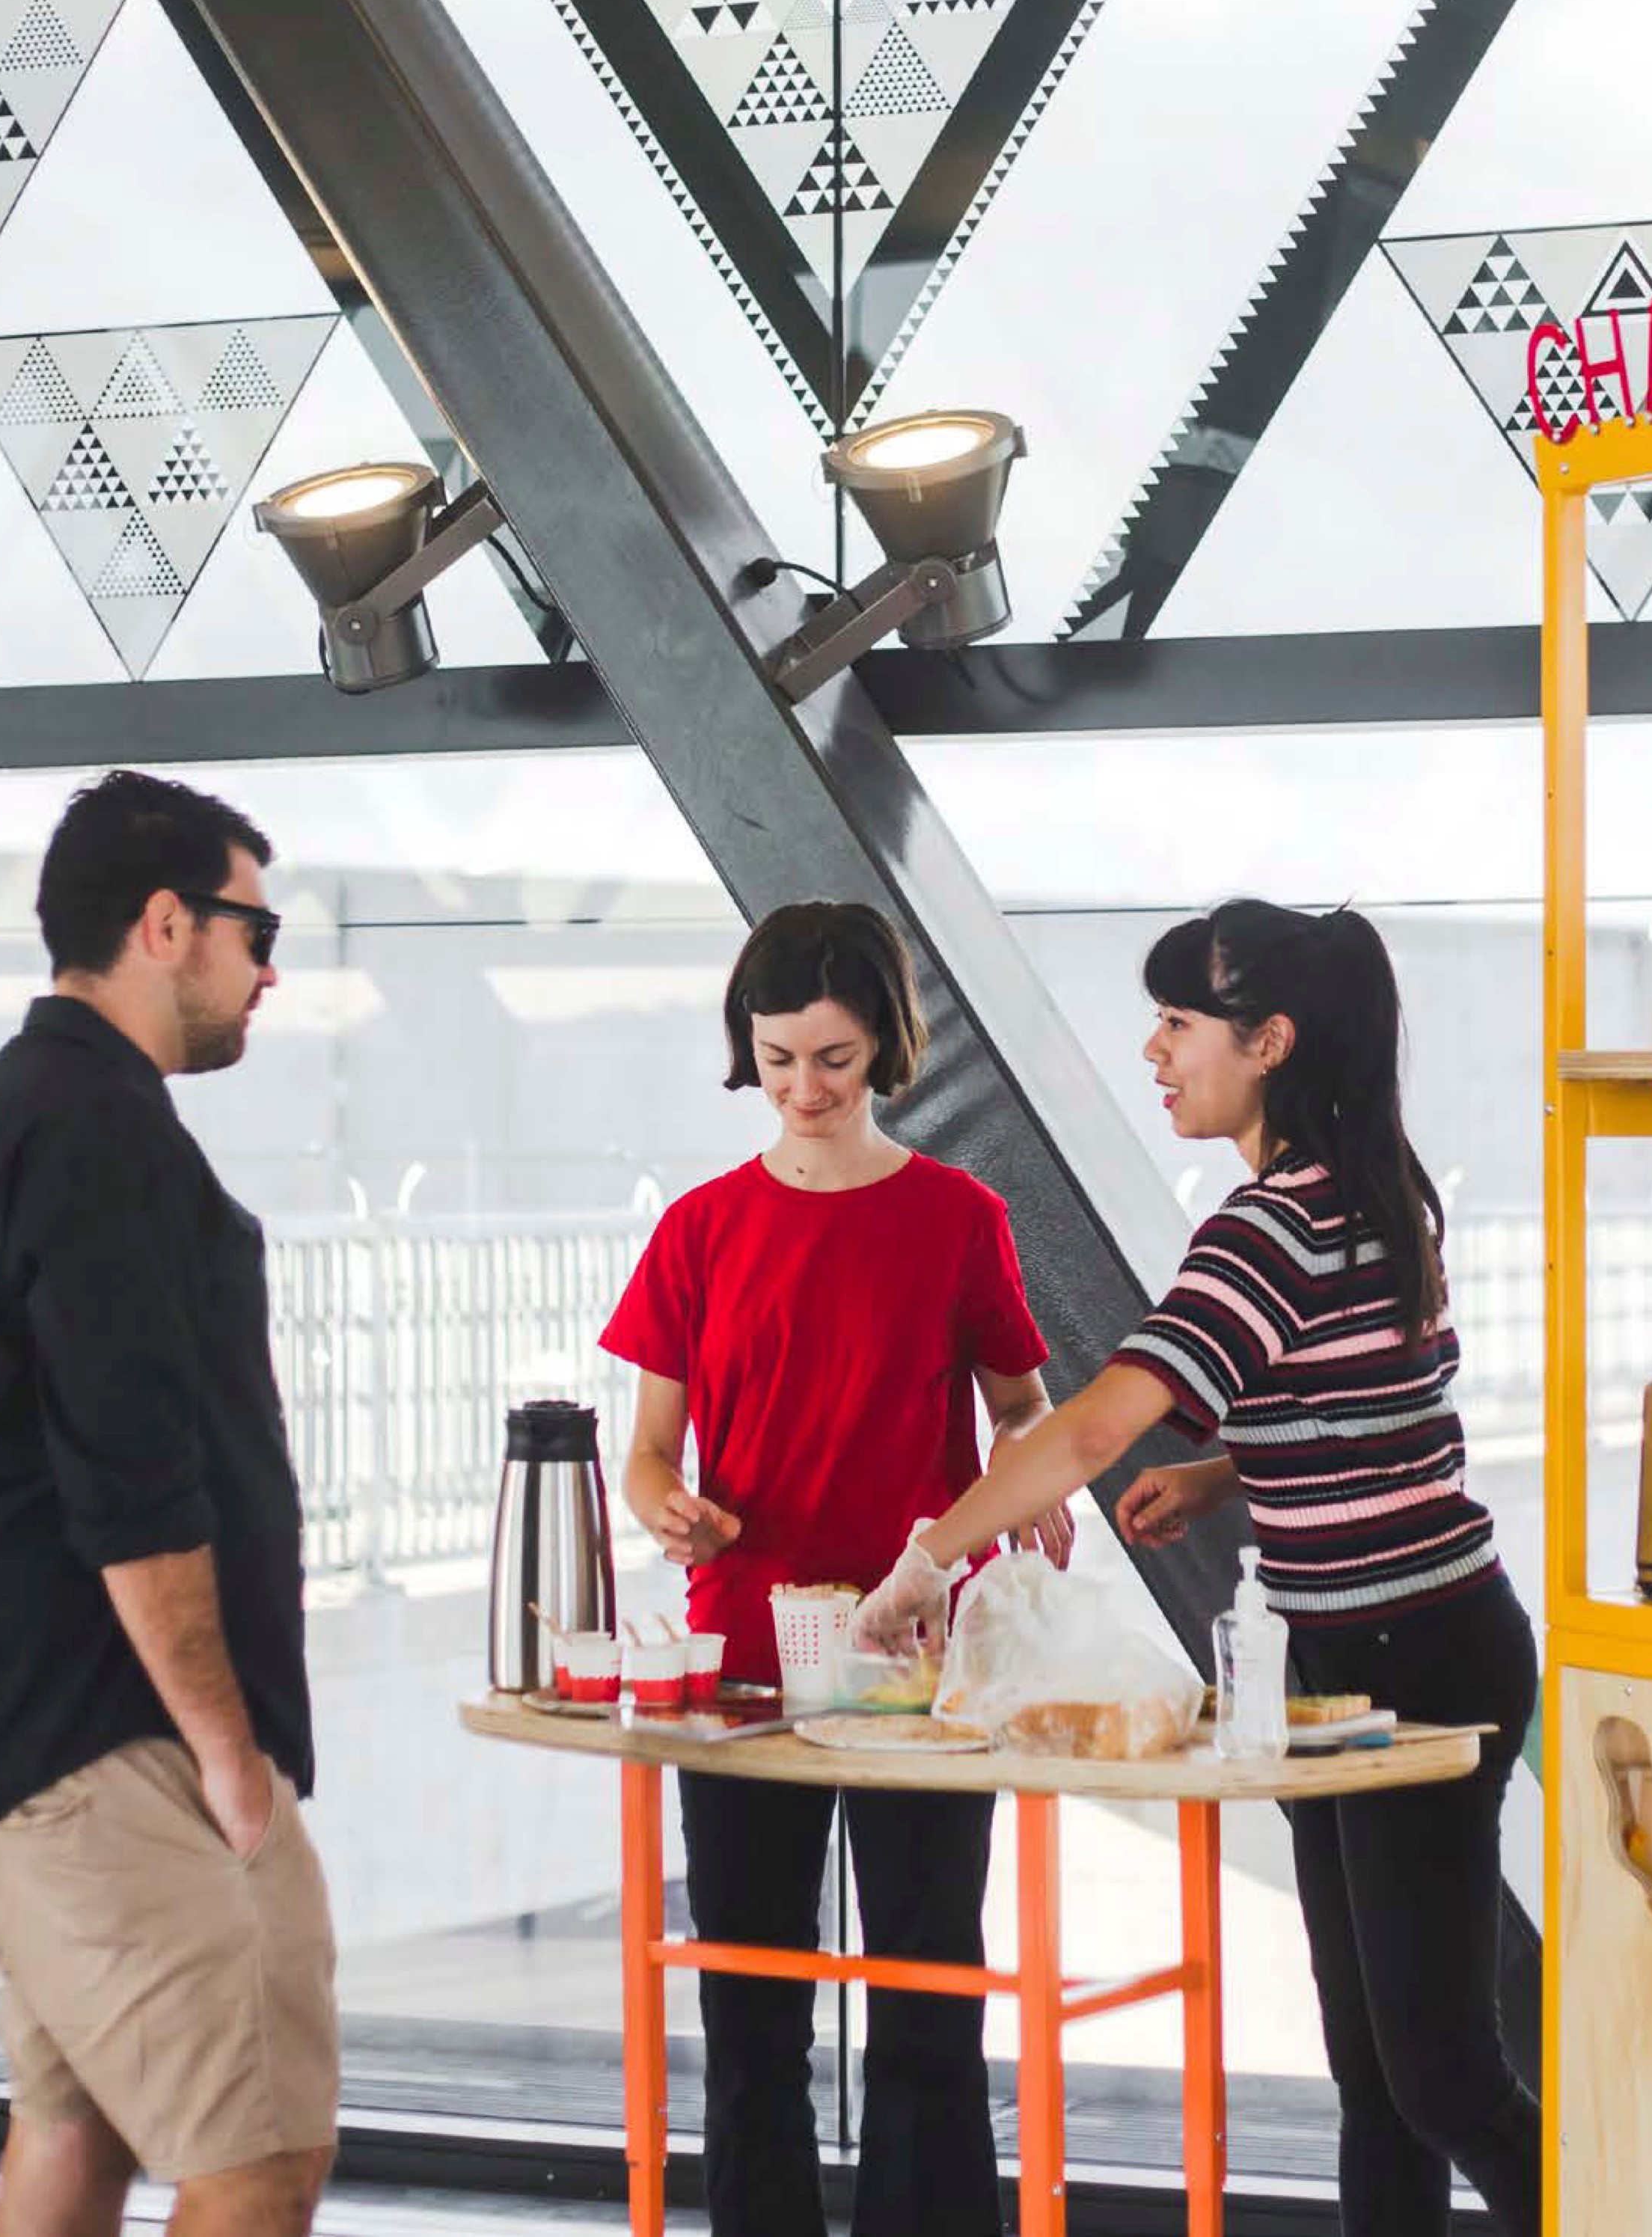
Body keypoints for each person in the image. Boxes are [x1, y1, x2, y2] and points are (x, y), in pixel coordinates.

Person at [854, 898, 1537, 2237]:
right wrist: (1231, 1470)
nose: (1153, 1049)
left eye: (1179, 1021)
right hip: (1383, 1643)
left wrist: (932, 1552)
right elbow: (1368, 1405)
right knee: (1377, 2077)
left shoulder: (1265, 1227)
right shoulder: (1368, 1188)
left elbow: (1097, 1419)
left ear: (1270, 1041)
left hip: (1409, 1652)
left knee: (1439, 2074)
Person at [0, 769, 331, 2237]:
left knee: (75, 2135)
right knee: (257, 2155)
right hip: (114, 1737)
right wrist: (226, 1748)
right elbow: (129, 1473)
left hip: (19, 1741)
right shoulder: (97, 1133)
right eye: (255, 930)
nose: (269, 969)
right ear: (165, 922)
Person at [600, 902, 1062, 2237]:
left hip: (918, 1665)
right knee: (750, 2011)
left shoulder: (958, 1216)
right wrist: (669, 1509)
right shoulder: (698, 1227)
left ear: (886, 1052)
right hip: (738, 1659)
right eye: (779, 1055)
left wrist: (1016, 1504)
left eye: (835, 1059)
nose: (804, 1088)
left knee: (928, 1996)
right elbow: (642, 1454)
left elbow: (1023, 1411)